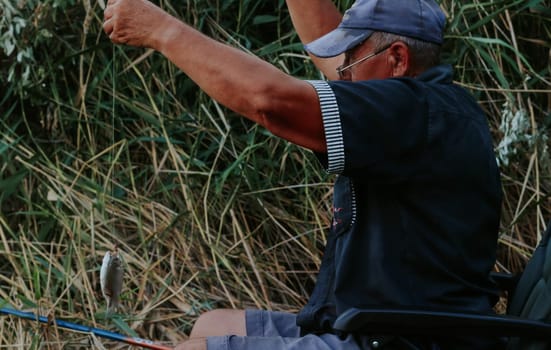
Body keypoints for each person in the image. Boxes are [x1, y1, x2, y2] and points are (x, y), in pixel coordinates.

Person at [103, 0, 503, 349]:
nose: (339, 75)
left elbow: (268, 100)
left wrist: (161, 30)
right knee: (212, 325)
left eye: (350, 62)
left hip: (403, 340)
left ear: (397, 59)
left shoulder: (411, 113)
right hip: (380, 324)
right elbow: (328, 53)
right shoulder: (427, 109)